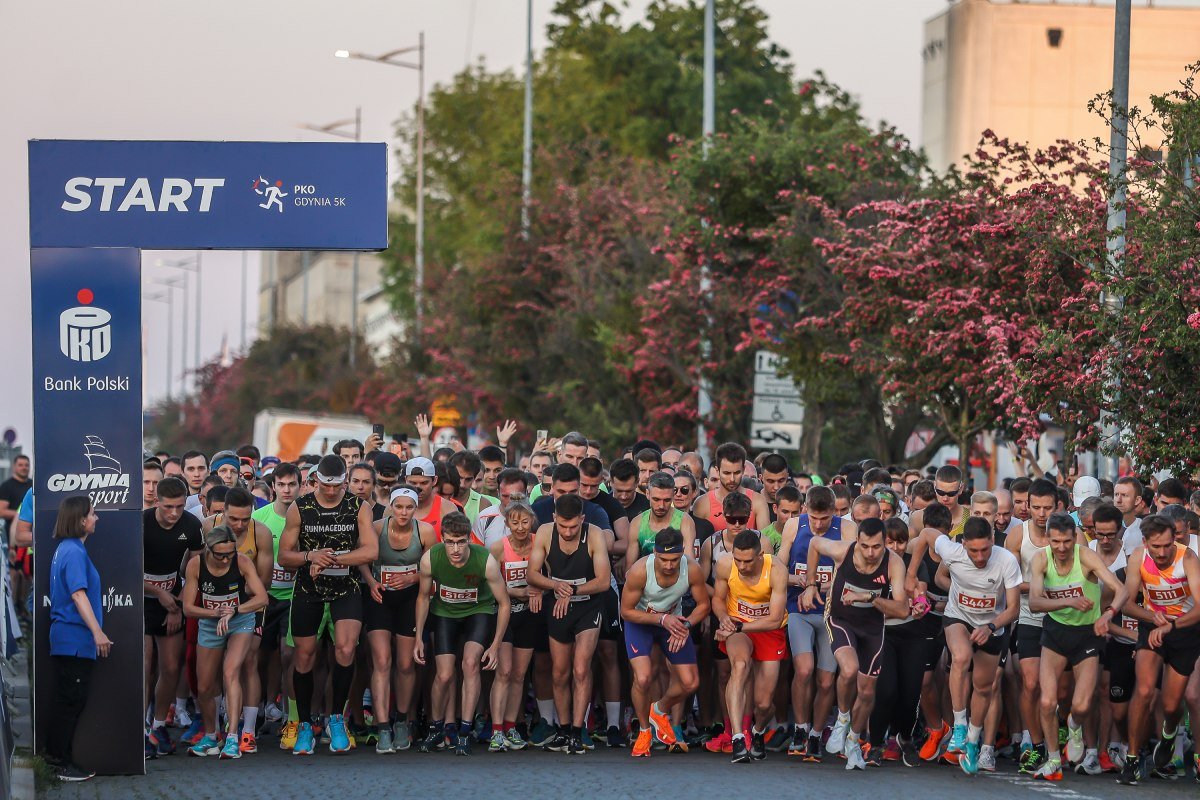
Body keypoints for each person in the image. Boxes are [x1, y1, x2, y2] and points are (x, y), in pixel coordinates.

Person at [277, 455, 378, 756]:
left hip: (345, 588)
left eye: (337, 486)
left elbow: (370, 550)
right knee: (305, 656)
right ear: (315, 480)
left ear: (344, 483)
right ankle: (306, 723)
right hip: (308, 589)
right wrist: (310, 557)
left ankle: (336, 718)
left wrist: (333, 559)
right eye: (325, 485)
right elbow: (284, 555)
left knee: (346, 650)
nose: (331, 491)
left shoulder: (359, 507)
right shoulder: (301, 507)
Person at [908, 516, 1023, 776]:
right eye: (974, 551)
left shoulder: (1006, 560)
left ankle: (972, 740)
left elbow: (1014, 608)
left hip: (993, 625)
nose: (980, 556)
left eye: (985, 549)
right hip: (958, 616)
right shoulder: (953, 551)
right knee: (960, 658)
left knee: (984, 687)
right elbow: (926, 533)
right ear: (963, 544)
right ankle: (959, 726)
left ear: (993, 541)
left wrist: (991, 627)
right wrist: (911, 574)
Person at [801, 517, 909, 769]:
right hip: (841, 619)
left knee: (868, 691)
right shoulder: (844, 550)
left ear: (885, 544)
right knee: (848, 669)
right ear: (857, 541)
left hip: (872, 627)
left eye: (877, 547)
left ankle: (853, 739)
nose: (870, 553)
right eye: (865, 546)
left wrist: (869, 597)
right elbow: (815, 544)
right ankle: (842, 720)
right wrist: (810, 584)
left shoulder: (894, 563)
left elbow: (902, 610)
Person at [1027, 512, 1127, 780]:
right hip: (1056, 632)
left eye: (1067, 541)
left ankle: (1073, 725)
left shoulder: (1086, 557)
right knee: (1048, 701)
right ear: (1048, 538)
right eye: (1056, 541)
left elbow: (1121, 590)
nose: (1061, 548)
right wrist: (1069, 602)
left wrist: (1108, 615)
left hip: (1087, 633)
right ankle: (1052, 759)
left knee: (1082, 706)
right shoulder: (1041, 559)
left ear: (1076, 538)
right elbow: (1035, 603)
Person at [413, 511, 510, 756]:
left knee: (470, 664)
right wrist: (418, 638)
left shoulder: (484, 560)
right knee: (444, 674)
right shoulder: (430, 558)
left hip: (478, 611)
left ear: (469, 539)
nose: (455, 548)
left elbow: (504, 602)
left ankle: (465, 731)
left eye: (461, 541)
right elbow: (423, 597)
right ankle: (436, 728)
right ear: (442, 540)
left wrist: (495, 645)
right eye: (450, 542)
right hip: (445, 612)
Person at [526, 493, 612, 755]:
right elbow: (532, 574)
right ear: (554, 519)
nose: (568, 531)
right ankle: (563, 729)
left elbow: (604, 581)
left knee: (581, 668)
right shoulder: (544, 532)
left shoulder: (594, 533)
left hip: (587, 605)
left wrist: (570, 591)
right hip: (558, 603)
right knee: (559, 671)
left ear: (582, 519)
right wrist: (557, 587)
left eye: (573, 526)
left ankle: (577, 730)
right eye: (562, 526)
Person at [1118, 514, 1200, 785]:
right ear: (1145, 542)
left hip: (1184, 630)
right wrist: (1153, 619)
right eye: (1157, 547)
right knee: (1143, 691)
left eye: (1167, 545)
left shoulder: (1186, 557)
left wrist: (1171, 626)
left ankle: (1168, 734)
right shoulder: (1138, 558)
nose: (1163, 552)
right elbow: (1128, 604)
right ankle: (1131, 759)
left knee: (1171, 704)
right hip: (1152, 627)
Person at [778, 485, 854, 759]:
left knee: (825, 681)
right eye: (814, 518)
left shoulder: (846, 529)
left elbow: (854, 575)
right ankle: (800, 727)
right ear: (805, 509)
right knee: (804, 669)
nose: (819, 524)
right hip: (800, 608)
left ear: (834, 512)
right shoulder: (793, 526)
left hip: (832, 614)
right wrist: (800, 581)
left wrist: (821, 586)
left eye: (825, 519)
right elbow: (777, 570)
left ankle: (815, 733)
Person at [621, 527, 709, 757]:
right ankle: (643, 731)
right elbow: (626, 611)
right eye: (664, 559)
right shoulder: (640, 570)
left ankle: (659, 710)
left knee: (690, 683)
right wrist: (661, 619)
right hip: (642, 621)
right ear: (654, 554)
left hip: (674, 622)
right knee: (643, 677)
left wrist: (686, 626)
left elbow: (703, 605)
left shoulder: (691, 569)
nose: (669, 565)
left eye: (674, 559)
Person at [182, 526, 269, 759]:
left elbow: (262, 598)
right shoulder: (195, 565)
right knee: (204, 686)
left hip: (241, 621)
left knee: (231, 671)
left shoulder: (241, 562)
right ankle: (211, 735)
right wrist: (216, 613)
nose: (225, 559)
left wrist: (234, 610)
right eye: (220, 555)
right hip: (210, 623)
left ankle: (232, 737)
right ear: (208, 549)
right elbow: (188, 608)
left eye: (230, 554)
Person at [359, 485, 435, 753]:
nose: (403, 512)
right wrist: (370, 582)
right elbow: (361, 559)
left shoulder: (424, 531)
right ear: (391, 506)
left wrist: (413, 577)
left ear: (416, 508)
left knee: (405, 664)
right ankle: (382, 727)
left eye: (409, 507)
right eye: (398, 507)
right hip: (380, 597)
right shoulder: (377, 528)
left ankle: (402, 720)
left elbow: (432, 565)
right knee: (381, 660)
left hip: (410, 599)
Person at [46, 496, 110, 782]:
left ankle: (61, 760)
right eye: (93, 514)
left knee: (70, 702)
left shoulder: (68, 549)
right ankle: (59, 763)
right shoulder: (73, 552)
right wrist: (98, 632)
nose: (97, 519)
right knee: (70, 702)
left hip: (71, 640)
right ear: (81, 520)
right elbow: (77, 594)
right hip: (73, 639)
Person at [713, 529, 788, 762]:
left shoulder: (776, 570)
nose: (742, 566)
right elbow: (717, 598)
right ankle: (737, 738)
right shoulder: (726, 565)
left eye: (747, 561)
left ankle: (757, 732)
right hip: (739, 625)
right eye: (738, 560)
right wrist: (724, 618)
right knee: (740, 665)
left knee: (764, 704)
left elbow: (775, 619)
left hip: (769, 629)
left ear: (760, 555)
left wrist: (738, 628)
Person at [143, 477, 203, 757]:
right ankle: (139, 729)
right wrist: (158, 592)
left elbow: (197, 569)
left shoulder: (191, 525)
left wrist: (178, 604)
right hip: (141, 598)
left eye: (180, 506)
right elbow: (123, 569)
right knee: (144, 667)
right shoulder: (141, 523)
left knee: (170, 666)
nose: (174, 513)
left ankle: (157, 727)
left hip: (173, 599)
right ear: (157, 502)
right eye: (168, 507)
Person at [1005, 476, 1056, 773]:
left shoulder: (1070, 535)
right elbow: (1010, 583)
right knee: (1031, 682)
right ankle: (1036, 745)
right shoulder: (1017, 536)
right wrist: (1036, 589)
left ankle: (1060, 734)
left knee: (1060, 691)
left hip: (1062, 616)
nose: (1040, 513)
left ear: (1056, 506)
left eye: (1047, 507)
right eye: (1035, 507)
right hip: (1028, 615)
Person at [251, 462, 301, 748]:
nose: (286, 490)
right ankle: (256, 711)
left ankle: (290, 718)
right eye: (281, 485)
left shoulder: (305, 516)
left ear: (299, 485)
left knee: (288, 655)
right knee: (258, 657)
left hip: (295, 596)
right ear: (273, 487)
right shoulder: (260, 518)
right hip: (264, 597)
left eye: (291, 484)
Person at [488, 498, 542, 751]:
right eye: (514, 522)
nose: (520, 527)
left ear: (532, 521)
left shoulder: (538, 543)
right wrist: (515, 592)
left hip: (530, 615)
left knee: (520, 675)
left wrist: (538, 590)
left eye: (525, 521)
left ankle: (511, 726)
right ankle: (496, 730)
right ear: (507, 523)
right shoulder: (499, 548)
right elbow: (488, 584)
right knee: (505, 671)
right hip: (506, 614)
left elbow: (549, 575)